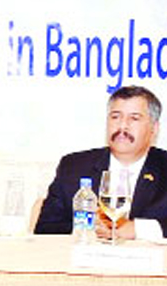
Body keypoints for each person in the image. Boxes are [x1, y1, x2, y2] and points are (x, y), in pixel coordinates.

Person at [35, 85, 167, 240]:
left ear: (154, 128)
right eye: (115, 117)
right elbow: (45, 228)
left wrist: (137, 229)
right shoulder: (73, 166)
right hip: (87, 255)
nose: (122, 126)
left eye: (134, 118)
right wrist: (87, 227)